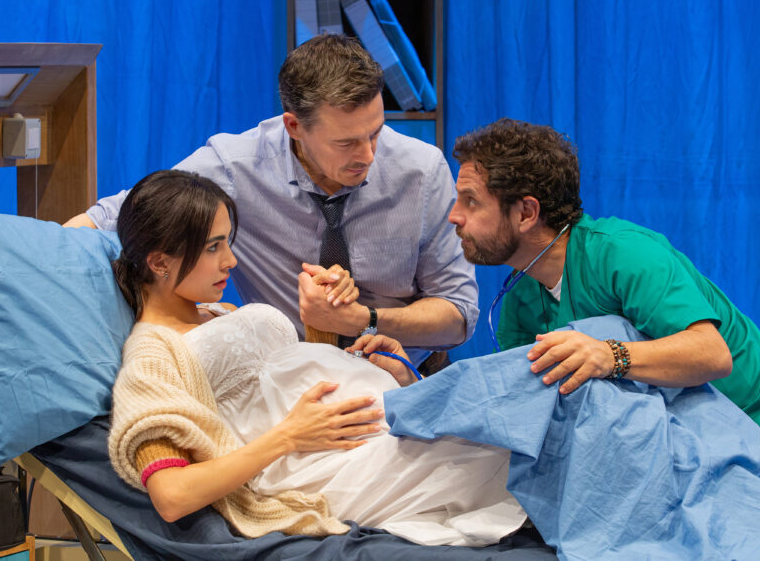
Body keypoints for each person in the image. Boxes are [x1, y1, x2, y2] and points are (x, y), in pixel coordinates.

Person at [107, 169, 528, 546]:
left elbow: (277, 382)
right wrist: (290, 436)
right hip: (314, 466)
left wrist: (333, 324)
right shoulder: (151, 355)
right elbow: (172, 496)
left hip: (367, 425)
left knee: (504, 422)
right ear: (159, 262)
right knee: (501, 449)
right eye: (213, 247)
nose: (230, 261)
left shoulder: (219, 312)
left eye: (227, 242)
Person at [445, 118, 760, 492]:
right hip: (696, 455)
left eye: (471, 201)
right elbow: (526, 405)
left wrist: (609, 355)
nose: (453, 216)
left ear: (527, 213)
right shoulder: (522, 297)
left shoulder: (623, 254)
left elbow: (712, 354)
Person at [69, 34, 478, 360]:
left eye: (375, 133)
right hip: (289, 379)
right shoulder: (234, 167)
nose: (369, 155)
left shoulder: (422, 171)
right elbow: (107, 220)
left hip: (400, 375)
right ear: (294, 126)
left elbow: (459, 315)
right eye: (346, 143)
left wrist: (363, 319)